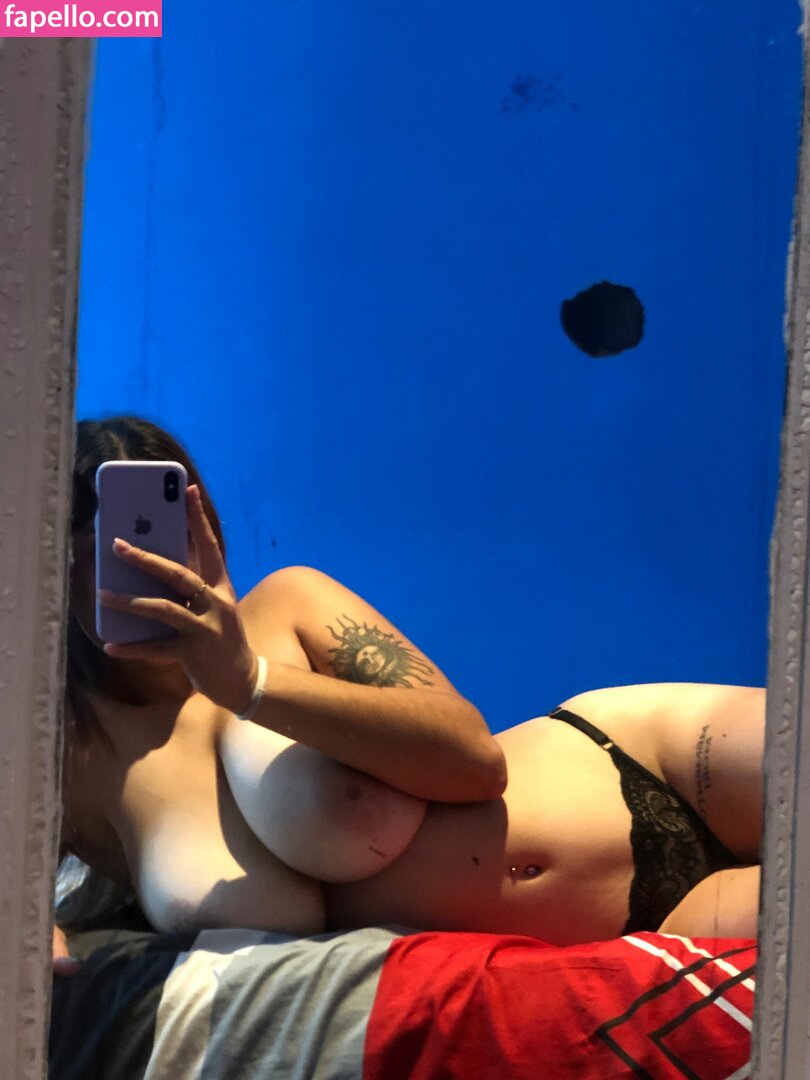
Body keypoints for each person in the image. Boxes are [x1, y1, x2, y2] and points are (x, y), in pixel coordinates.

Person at [55, 415, 764, 972]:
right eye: (96, 552)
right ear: (52, 568)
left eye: (159, 534)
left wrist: (250, 683)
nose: (135, 566)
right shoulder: (76, 761)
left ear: (204, 527)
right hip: (631, 931)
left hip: (640, 757)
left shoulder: (286, 606)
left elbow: (474, 760)